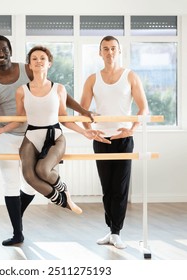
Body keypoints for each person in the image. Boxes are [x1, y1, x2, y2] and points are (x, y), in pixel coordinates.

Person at [0, 35, 96, 246]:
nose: (0, 54)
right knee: (11, 184)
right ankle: (18, 232)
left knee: (32, 183)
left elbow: (59, 95)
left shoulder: (28, 68)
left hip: (36, 135)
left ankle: (19, 216)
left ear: (10, 51)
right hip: (7, 136)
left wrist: (82, 110)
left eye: (4, 49)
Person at [0, 45, 100, 215]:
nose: (38, 61)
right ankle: (61, 199)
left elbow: (63, 118)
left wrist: (84, 132)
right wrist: (2, 131)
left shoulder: (59, 89)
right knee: (29, 176)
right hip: (32, 135)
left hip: (55, 136)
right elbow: (20, 119)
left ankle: (65, 191)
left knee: (42, 170)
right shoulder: (22, 91)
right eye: (34, 59)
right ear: (30, 66)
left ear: (49, 64)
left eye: (42, 58)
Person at [80, 35, 149, 249]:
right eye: (105, 49)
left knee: (120, 188)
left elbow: (143, 108)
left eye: (113, 48)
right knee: (107, 188)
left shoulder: (130, 76)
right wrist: (90, 132)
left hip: (123, 139)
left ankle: (116, 232)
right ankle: (110, 230)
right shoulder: (92, 79)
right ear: (100, 53)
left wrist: (131, 130)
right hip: (102, 139)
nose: (109, 52)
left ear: (119, 52)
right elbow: (82, 111)